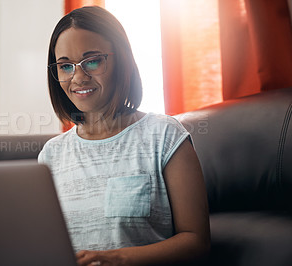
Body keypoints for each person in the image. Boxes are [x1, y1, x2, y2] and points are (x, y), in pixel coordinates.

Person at [38, 6, 210, 266]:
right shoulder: (51, 155)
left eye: (92, 61)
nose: (79, 77)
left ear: (122, 61)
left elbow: (196, 241)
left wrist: (116, 258)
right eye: (66, 66)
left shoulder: (164, 136)